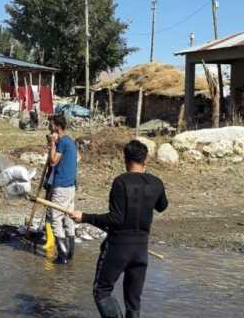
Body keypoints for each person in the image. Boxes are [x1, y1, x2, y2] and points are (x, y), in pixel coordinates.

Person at [72, 139, 168, 318]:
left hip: (118, 247)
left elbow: (115, 219)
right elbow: (162, 206)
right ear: (145, 160)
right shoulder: (156, 183)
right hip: (141, 250)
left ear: (125, 160)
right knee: (133, 301)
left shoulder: (121, 182)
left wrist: (84, 217)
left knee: (101, 291)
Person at [46, 113, 78, 264]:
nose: (50, 128)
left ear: (57, 127)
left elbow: (53, 161)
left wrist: (52, 143)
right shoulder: (70, 141)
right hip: (71, 186)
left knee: (56, 219)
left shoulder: (62, 142)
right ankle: (70, 251)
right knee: (68, 218)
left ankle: (62, 255)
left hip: (62, 187)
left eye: (52, 125)